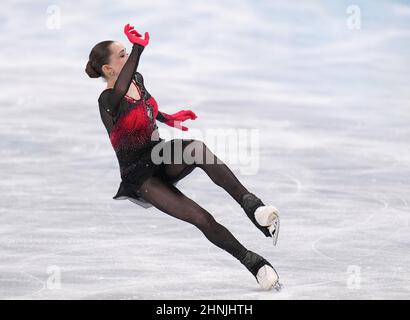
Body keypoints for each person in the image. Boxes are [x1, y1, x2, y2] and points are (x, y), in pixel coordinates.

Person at [85, 23, 281, 290]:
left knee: (197, 148)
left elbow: (145, 107)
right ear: (108, 69)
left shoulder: (137, 80)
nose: (127, 57)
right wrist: (138, 48)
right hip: (140, 176)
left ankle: (254, 207)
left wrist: (169, 118)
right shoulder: (107, 99)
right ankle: (255, 264)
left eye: (127, 53)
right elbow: (121, 93)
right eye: (122, 55)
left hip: (158, 153)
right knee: (201, 218)